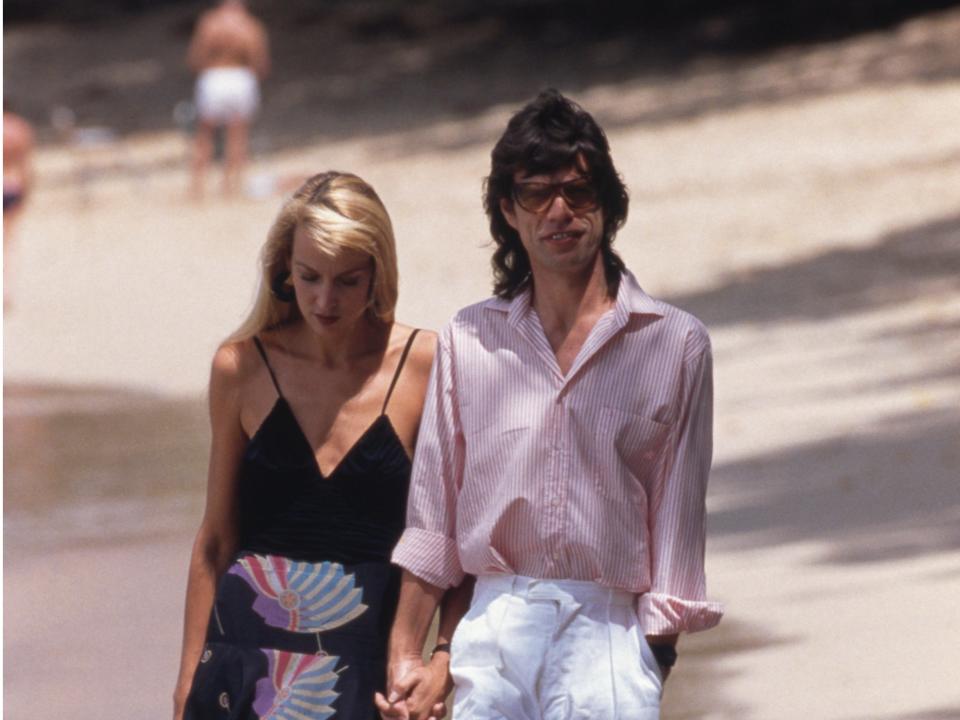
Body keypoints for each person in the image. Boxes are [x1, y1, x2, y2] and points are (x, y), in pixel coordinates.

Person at [381, 90, 723, 720]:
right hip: (495, 623)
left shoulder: (675, 344)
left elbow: (677, 527)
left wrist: (654, 660)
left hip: (611, 633)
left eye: (579, 192)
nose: (559, 211)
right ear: (509, 211)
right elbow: (435, 517)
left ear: (608, 204)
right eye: (537, 194)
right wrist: (409, 655)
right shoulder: (468, 339)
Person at [172, 172, 452, 720]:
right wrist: (186, 684)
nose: (325, 300)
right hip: (242, 659)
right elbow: (216, 539)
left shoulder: (427, 363)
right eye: (309, 277)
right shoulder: (242, 366)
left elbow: (452, 541)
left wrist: (440, 658)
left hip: (367, 660)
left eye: (347, 280)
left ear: (378, 272)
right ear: (283, 272)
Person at [187, 0, 269, 198]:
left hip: (213, 76)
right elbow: (260, 61)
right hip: (241, 77)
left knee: (204, 134)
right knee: (238, 135)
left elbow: (196, 56)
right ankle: (231, 187)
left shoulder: (210, 22)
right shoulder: (250, 25)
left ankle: (197, 188)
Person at [3, 103, 34, 306]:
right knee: (6, 241)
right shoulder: (19, 128)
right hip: (12, 186)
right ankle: (4, 291)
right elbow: (25, 166)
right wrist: (27, 192)